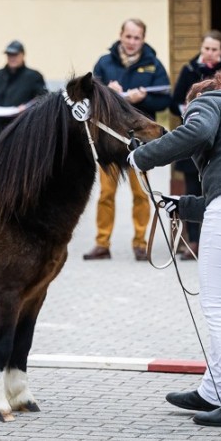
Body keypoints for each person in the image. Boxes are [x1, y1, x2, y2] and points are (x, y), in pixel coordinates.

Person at [128, 69, 221, 428]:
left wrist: (143, 157)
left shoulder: (208, 102)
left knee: (218, 308)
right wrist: (182, 206)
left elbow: (196, 132)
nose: (188, 116)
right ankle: (214, 390)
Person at [84, 18, 170, 261]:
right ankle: (102, 244)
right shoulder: (103, 63)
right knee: (105, 195)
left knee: (141, 195)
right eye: (128, 36)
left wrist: (142, 100)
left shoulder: (153, 65)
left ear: (143, 39)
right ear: (120, 35)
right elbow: (89, 98)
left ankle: (140, 243)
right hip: (108, 143)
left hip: (138, 144)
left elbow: (165, 100)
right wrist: (108, 93)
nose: (132, 42)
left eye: (137, 37)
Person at [170, 30, 221, 260]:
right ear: (201, 47)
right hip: (191, 141)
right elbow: (173, 100)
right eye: (206, 48)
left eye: (215, 50)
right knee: (192, 192)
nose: (209, 53)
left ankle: (217, 243)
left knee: (217, 194)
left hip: (218, 142)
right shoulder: (189, 70)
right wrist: (186, 109)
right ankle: (193, 242)